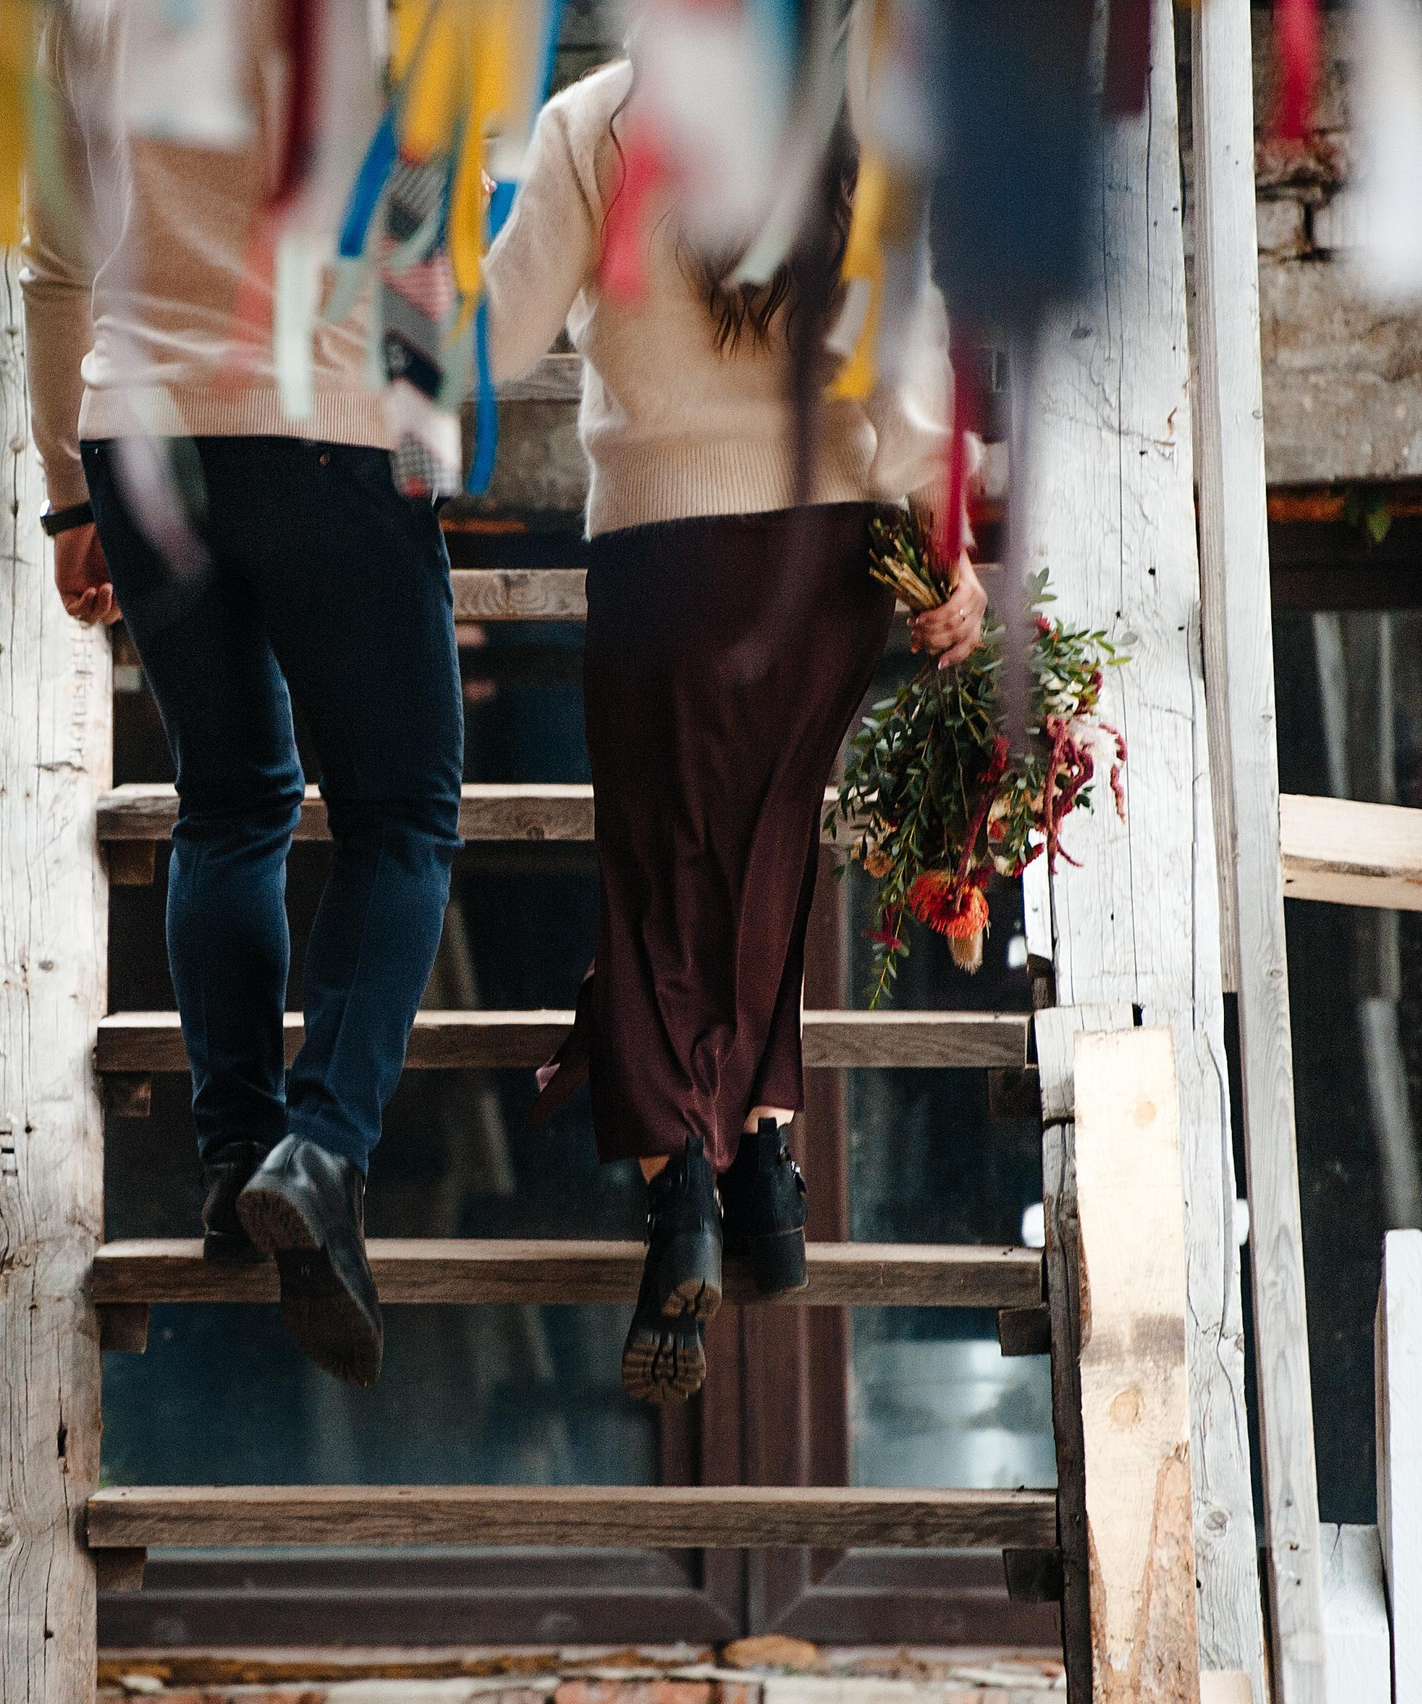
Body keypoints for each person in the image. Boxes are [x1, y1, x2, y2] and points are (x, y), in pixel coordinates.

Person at [483, 56, 985, 1405]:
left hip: (665, 549)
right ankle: (763, 1165)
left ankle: (683, 1208)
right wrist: (945, 553)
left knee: (658, 881)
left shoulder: (594, 122)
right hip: (831, 561)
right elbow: (910, 360)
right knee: (766, 861)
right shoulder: (861, 113)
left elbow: (500, 333)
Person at [21, 0, 464, 1389]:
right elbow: (418, 212)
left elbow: (52, 256)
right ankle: (322, 1150)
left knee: (228, 799)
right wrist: (426, 432)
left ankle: (231, 1161)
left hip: (140, 426)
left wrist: (64, 497)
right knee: (400, 818)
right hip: (326, 413)